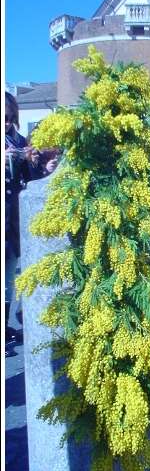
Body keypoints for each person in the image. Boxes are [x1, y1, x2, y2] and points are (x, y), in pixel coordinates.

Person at [4, 92, 58, 356]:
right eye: (4, 118)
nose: (7, 122)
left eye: (10, 117)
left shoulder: (20, 141)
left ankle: (4, 327)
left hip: (13, 221)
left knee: (9, 278)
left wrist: (43, 167)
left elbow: (30, 178)